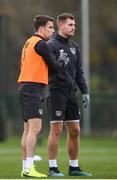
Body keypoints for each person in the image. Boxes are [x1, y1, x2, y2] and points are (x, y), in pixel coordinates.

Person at [17, 14, 66, 178]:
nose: (53, 31)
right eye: (51, 27)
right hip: (32, 88)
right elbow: (54, 67)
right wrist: (61, 61)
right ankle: (29, 168)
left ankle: (25, 167)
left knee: (27, 130)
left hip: (26, 87)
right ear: (41, 28)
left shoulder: (29, 42)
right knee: (35, 128)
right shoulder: (41, 44)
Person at [47, 13, 92, 177]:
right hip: (56, 92)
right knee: (56, 129)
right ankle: (52, 167)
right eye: (70, 24)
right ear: (61, 26)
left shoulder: (75, 47)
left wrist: (85, 91)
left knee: (75, 130)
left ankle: (74, 167)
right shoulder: (50, 45)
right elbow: (49, 70)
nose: (74, 27)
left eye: (74, 24)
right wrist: (60, 63)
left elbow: (79, 72)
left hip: (71, 94)